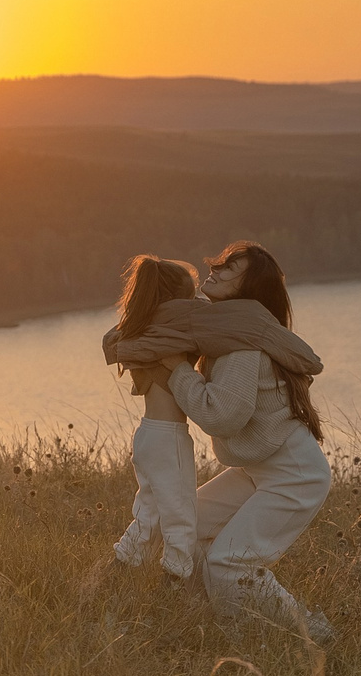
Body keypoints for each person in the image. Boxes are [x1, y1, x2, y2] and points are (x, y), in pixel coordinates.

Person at [112, 241, 333, 641]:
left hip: (293, 474)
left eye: (231, 269)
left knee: (229, 562)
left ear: (249, 286)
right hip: (258, 469)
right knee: (185, 529)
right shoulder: (228, 328)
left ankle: (309, 635)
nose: (215, 270)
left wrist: (177, 368)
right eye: (220, 264)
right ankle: (211, 625)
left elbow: (222, 417)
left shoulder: (241, 346)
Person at [106, 255, 202, 577]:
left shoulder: (139, 330)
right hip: (168, 436)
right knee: (181, 519)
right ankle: (176, 586)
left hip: (147, 436)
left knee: (150, 517)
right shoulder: (178, 330)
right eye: (192, 294)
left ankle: (113, 578)